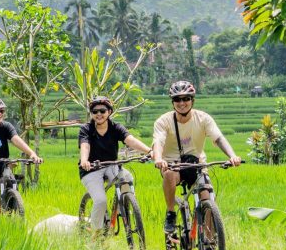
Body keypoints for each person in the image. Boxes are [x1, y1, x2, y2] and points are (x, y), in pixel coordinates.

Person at [151, 81, 243, 235]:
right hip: (173, 165)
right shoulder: (163, 121)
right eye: (177, 99)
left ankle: (210, 245)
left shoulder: (203, 118)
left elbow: (218, 138)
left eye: (186, 98)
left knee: (208, 200)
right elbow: (158, 141)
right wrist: (159, 159)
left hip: (197, 165)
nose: (182, 103)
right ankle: (170, 213)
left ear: (192, 100)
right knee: (168, 175)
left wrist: (232, 156)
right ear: (172, 102)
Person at [78, 96, 151, 237]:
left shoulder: (116, 127)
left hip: (112, 165)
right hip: (91, 168)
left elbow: (130, 140)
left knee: (127, 177)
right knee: (100, 201)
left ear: (109, 112)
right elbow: (85, 145)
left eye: (102, 110)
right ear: (91, 114)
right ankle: (95, 233)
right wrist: (84, 160)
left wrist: (149, 151)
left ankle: (123, 206)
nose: (99, 114)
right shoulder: (86, 129)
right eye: (95, 111)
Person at [0, 97, 42, 211]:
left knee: (11, 181)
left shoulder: (6, 126)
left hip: (2, 164)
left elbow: (16, 139)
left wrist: (32, 154)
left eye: (2, 111)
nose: (0, 114)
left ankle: (11, 214)